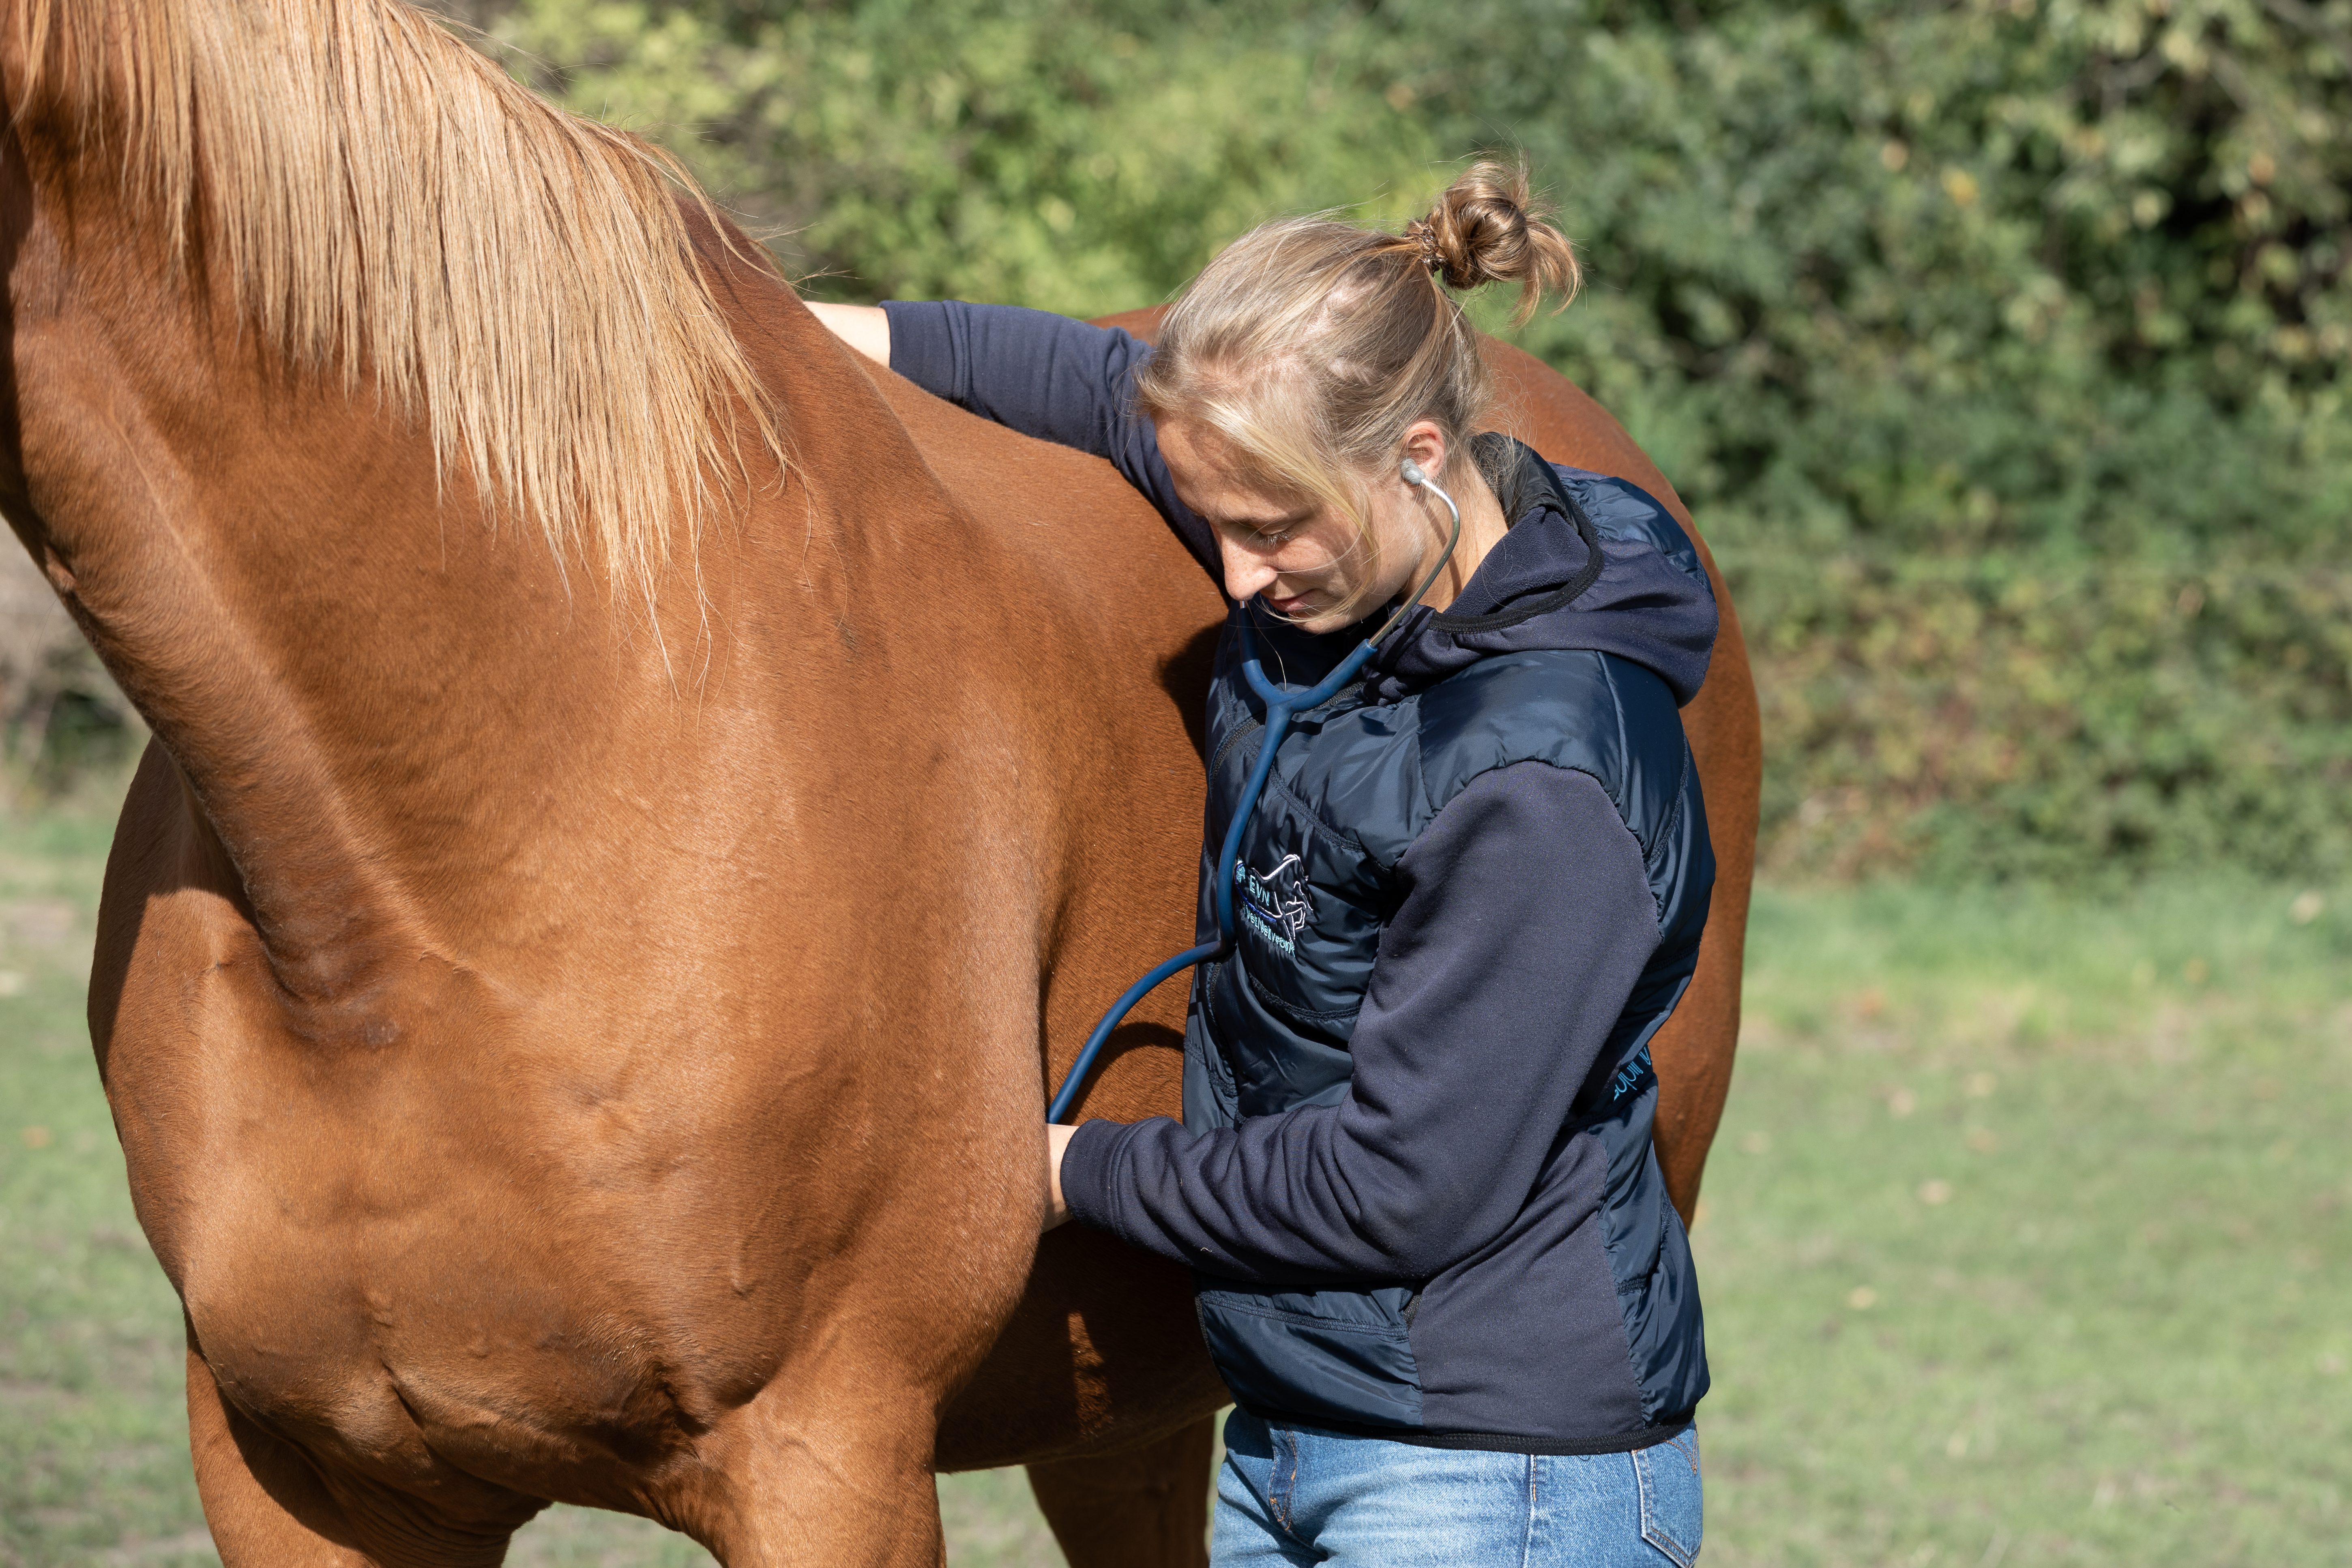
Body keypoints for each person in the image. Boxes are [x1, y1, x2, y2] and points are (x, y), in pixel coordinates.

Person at [811, 163, 1716, 1567]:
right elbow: (1057, 371)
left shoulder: (1545, 771)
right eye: (1215, 519)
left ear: (1420, 453)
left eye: (1271, 528)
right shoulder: (1351, 547)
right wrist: (774, 326)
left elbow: (1398, 1184)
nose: (1237, 577)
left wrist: (1056, 1171)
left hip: (1493, 1476)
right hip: (1300, 1435)